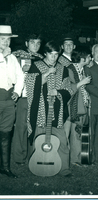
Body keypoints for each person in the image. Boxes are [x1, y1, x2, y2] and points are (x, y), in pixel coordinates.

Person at [26, 41, 73, 177]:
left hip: (56, 111)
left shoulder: (63, 69)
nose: (53, 57)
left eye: (56, 54)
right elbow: (29, 85)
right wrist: (45, 75)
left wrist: (57, 92)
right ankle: (34, 164)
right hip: (40, 109)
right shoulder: (36, 66)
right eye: (50, 54)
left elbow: (68, 89)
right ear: (45, 53)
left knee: (62, 140)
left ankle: (64, 168)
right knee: (38, 138)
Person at [12, 33, 43, 165]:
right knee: (21, 127)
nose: (35, 46)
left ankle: (33, 154)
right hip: (23, 96)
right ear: (26, 44)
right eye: (32, 43)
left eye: (38, 43)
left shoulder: (42, 58)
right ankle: (19, 157)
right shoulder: (16, 55)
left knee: (35, 126)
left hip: (38, 97)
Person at [0, 25, 24, 178]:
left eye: (8, 39)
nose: (6, 42)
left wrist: (17, 91)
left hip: (9, 100)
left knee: (6, 133)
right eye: (2, 39)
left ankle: (5, 167)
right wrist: (3, 56)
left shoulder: (13, 58)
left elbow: (20, 76)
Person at [68, 46, 92, 165]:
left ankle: (75, 159)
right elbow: (67, 88)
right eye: (88, 57)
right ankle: (68, 159)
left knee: (77, 133)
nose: (90, 58)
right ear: (82, 58)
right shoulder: (70, 69)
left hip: (81, 106)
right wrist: (81, 83)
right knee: (69, 133)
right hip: (71, 108)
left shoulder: (82, 70)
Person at [58, 34, 77, 139]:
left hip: (76, 95)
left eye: (71, 44)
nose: (69, 46)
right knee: (66, 122)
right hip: (65, 95)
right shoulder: (59, 60)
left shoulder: (77, 59)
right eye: (66, 44)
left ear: (74, 46)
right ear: (62, 46)